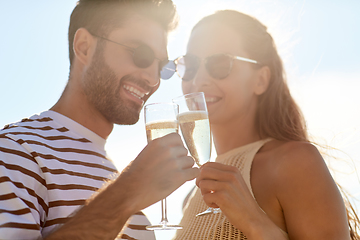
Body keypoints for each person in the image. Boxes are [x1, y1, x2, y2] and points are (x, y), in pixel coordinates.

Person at [0, 0, 199, 239]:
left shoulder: (120, 178)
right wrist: (127, 193)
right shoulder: (14, 151)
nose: (152, 80)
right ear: (84, 47)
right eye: (141, 54)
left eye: (162, 68)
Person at [172, 10, 360, 240]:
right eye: (189, 66)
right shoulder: (194, 195)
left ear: (260, 80)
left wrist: (253, 221)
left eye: (219, 63)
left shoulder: (294, 163)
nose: (198, 79)